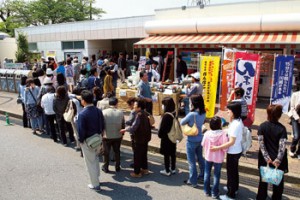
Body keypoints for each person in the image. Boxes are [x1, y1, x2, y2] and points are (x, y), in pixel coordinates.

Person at [211, 102, 244, 200]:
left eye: (229, 110)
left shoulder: (235, 125)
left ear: (234, 112)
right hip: (236, 150)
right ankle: (234, 188)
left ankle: (231, 194)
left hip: (233, 151)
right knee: (234, 172)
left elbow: (231, 142)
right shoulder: (237, 121)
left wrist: (217, 148)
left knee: (231, 173)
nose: (227, 112)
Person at [256, 104, 288, 200]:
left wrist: (267, 158)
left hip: (265, 160)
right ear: (279, 115)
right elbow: (282, 146)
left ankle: (261, 197)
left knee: (263, 181)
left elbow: (261, 144)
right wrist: (278, 160)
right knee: (277, 183)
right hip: (278, 161)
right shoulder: (282, 129)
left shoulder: (262, 126)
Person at [77, 90, 105, 191]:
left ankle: (95, 184)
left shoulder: (82, 114)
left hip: (88, 140)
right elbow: (102, 123)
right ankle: (97, 177)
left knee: (90, 163)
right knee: (96, 159)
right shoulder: (98, 110)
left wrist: (80, 141)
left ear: (83, 101)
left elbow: (81, 130)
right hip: (98, 138)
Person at [121, 99, 152, 178]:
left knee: (137, 155)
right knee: (144, 154)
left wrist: (125, 129)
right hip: (146, 137)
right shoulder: (146, 113)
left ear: (139, 107)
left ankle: (137, 173)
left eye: (135, 105)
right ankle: (145, 169)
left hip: (139, 138)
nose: (134, 106)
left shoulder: (139, 115)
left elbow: (134, 127)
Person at [180, 95, 206, 187]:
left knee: (191, 162)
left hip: (191, 140)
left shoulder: (192, 114)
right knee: (200, 159)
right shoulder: (203, 113)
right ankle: (203, 176)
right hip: (200, 139)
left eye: (191, 102)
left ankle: (193, 181)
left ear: (194, 103)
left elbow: (181, 122)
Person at [201, 116, 228, 199]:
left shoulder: (207, 133)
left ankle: (206, 190)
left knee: (207, 173)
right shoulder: (223, 134)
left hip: (208, 156)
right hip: (218, 158)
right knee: (216, 175)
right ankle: (214, 192)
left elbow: (203, 144)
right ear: (220, 124)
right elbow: (225, 148)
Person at [102, 97, 125, 173]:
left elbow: (101, 124)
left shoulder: (104, 112)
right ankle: (117, 167)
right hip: (118, 135)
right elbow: (123, 124)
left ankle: (106, 167)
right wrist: (122, 133)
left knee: (106, 152)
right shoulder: (121, 112)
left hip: (107, 135)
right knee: (117, 151)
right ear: (116, 103)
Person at [158, 97, 177, 176]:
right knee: (173, 153)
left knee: (166, 154)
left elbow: (163, 129)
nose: (163, 106)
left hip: (166, 137)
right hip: (173, 136)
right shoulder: (174, 112)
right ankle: (173, 168)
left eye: (163, 105)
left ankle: (167, 170)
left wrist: (160, 135)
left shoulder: (166, 116)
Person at [288, 90, 300, 159]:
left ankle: (299, 152)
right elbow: (292, 108)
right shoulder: (295, 94)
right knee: (296, 136)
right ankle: (292, 149)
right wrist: (298, 118)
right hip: (295, 117)